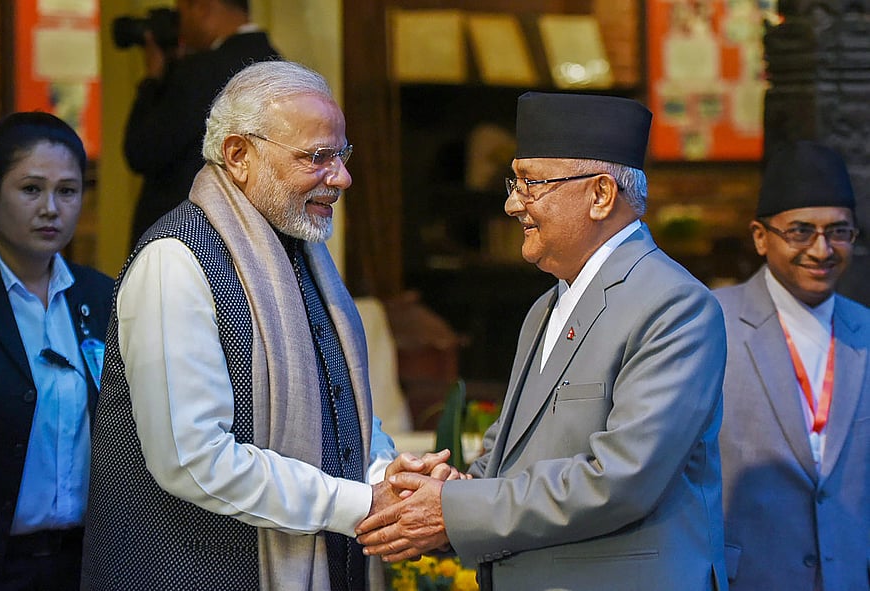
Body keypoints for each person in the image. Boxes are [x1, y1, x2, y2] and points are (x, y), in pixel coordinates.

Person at [81, 60, 457, 591]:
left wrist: (389, 476)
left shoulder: (301, 252)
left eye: (342, 155)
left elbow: (342, 412)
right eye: (317, 157)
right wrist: (363, 501)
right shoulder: (175, 260)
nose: (342, 177)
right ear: (238, 155)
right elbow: (193, 461)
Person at [357, 92, 729, 591]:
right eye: (516, 183)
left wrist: (453, 510)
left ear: (600, 194)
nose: (512, 204)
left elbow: (620, 479)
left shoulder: (673, 305)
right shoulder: (547, 306)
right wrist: (449, 487)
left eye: (532, 183)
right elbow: (509, 459)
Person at [714, 140, 869, 591]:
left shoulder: (865, 330)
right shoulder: (710, 324)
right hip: (746, 579)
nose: (822, 250)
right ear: (761, 237)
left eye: (839, 232)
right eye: (801, 231)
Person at [0, 111, 113, 589]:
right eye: (31, 189)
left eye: (67, 191)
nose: (51, 208)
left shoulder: (102, 297)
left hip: (83, 565)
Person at [124, 0, 280, 245]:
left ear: (203, 7)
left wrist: (153, 79)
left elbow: (142, 150)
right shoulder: (276, 64)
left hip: (185, 232)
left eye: (181, 13)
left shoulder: (199, 70)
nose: (180, 26)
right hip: (254, 234)